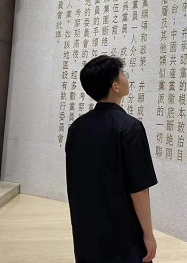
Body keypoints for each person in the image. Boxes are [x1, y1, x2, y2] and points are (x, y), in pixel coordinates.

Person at [65, 55, 158, 263]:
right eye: (123, 74)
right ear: (115, 87)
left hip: (87, 234)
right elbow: (139, 189)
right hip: (124, 237)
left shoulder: (77, 128)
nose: (126, 78)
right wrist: (148, 234)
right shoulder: (130, 128)